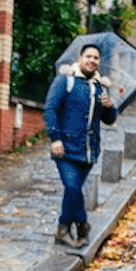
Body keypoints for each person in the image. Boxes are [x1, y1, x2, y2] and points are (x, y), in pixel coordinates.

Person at [44, 44, 117, 247]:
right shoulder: (65, 80)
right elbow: (50, 109)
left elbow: (109, 120)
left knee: (73, 191)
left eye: (96, 58)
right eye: (88, 56)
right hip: (65, 149)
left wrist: (110, 106)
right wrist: (55, 138)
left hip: (88, 150)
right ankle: (77, 224)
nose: (92, 60)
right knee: (72, 186)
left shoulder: (100, 87)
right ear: (80, 58)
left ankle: (69, 228)